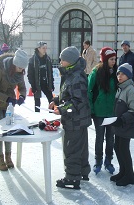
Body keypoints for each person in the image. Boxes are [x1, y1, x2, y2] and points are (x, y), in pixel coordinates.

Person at [49, 46, 91, 189]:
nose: (60, 61)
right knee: (81, 147)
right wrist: (56, 101)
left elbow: (78, 101)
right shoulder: (71, 74)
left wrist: (61, 109)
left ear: (70, 61)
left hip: (76, 120)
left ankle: (72, 178)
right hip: (77, 120)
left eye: (63, 59)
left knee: (72, 149)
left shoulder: (77, 77)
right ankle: (83, 171)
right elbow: (67, 94)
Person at [0, 49, 28, 171]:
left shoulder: (19, 71)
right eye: (20, 67)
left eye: (23, 68)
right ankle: (0, 157)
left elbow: (22, 87)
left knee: (9, 130)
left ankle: (8, 155)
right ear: (14, 64)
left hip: (9, 106)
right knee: (0, 132)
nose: (22, 70)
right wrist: (7, 99)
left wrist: (21, 96)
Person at [110, 63, 134, 186]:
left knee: (123, 149)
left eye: (123, 74)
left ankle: (129, 176)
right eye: (118, 73)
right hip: (120, 124)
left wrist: (123, 119)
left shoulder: (131, 89)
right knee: (117, 147)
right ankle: (123, 172)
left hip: (128, 124)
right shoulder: (121, 88)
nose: (120, 76)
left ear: (128, 76)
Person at [88, 47, 118, 175]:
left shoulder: (117, 72)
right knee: (100, 137)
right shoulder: (96, 72)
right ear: (105, 60)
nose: (114, 62)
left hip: (112, 112)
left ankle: (108, 161)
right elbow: (89, 91)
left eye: (115, 59)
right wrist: (91, 109)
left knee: (110, 138)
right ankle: (98, 160)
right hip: (99, 111)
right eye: (111, 59)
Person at [28, 41, 54, 112]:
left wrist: (51, 84)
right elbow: (30, 75)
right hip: (37, 84)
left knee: (51, 99)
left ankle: (51, 114)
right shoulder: (33, 60)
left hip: (46, 83)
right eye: (43, 48)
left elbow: (50, 73)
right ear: (38, 49)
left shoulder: (47, 59)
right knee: (37, 102)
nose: (45, 50)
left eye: (46, 48)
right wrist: (33, 86)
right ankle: (37, 117)